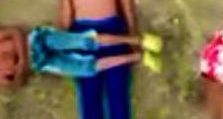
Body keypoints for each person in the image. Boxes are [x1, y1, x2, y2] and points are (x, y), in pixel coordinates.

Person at [26, 24, 162, 79]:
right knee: (87, 68)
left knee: (85, 41)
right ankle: (139, 57)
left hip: (37, 41)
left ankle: (139, 40)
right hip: (38, 62)